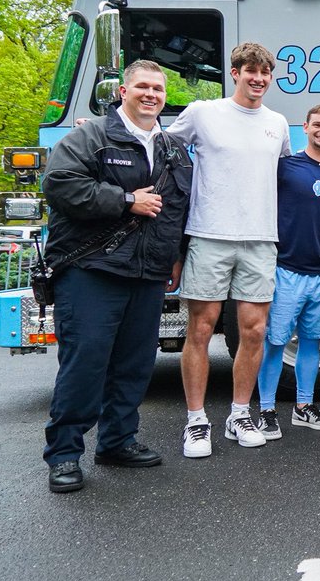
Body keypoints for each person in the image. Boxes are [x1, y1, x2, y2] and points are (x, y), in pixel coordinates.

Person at [41, 59, 193, 492]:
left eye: (158, 90)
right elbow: (60, 183)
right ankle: (65, 454)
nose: (151, 95)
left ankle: (117, 441)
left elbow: (176, 211)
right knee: (85, 362)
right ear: (122, 93)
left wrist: (174, 257)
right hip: (93, 269)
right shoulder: (91, 136)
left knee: (135, 364)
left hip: (147, 273)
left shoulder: (172, 149)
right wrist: (125, 199)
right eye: (142, 87)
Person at [169, 43, 291, 457]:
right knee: (201, 329)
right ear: (234, 72)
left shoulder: (278, 123)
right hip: (209, 235)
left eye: (265, 73)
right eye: (251, 71)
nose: (259, 79)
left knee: (254, 332)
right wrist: (97, 126)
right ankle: (196, 422)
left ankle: (240, 414)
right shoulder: (204, 113)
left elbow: (290, 171)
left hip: (260, 240)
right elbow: (158, 147)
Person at [255, 105, 320, 439]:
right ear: (305, 127)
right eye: (318, 125)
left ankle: (303, 408)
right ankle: (266, 410)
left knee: (312, 342)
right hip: (286, 269)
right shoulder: (285, 168)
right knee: (275, 342)